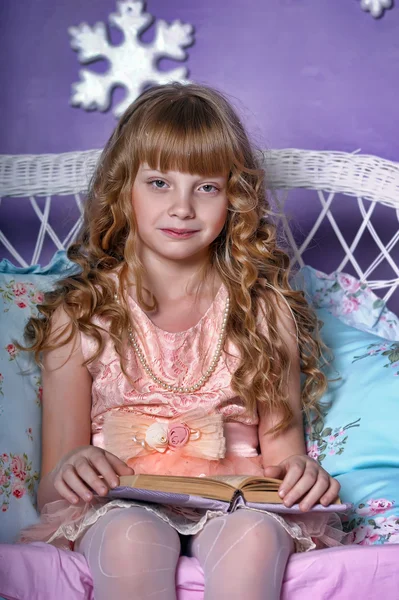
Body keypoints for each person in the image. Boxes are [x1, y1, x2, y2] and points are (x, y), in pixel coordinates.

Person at [20, 82, 342, 600]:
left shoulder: (263, 313)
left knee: (256, 537)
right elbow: (54, 478)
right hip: (118, 500)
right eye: (159, 183)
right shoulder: (80, 318)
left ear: (234, 196)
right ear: (123, 188)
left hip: (239, 498)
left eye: (207, 187)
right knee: (129, 538)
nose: (183, 207)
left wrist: (302, 472)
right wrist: (71, 467)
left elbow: (284, 458)